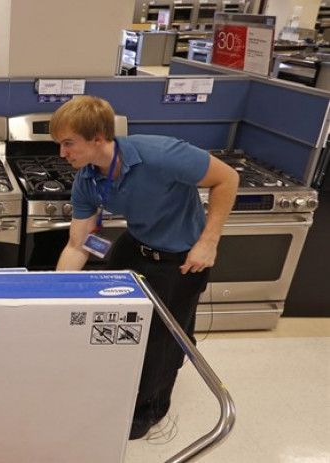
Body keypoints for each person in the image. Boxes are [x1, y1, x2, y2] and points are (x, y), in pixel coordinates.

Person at [50, 95, 239, 440]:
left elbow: (227, 179)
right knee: (112, 321)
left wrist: (208, 241)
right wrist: (53, 294)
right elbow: (78, 244)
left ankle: (150, 409)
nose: (62, 153)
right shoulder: (87, 180)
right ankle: (122, 381)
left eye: (68, 143)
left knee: (160, 341)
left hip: (179, 258)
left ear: (97, 139)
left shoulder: (162, 154)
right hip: (134, 247)